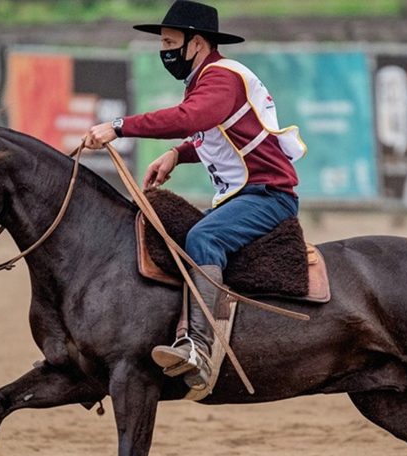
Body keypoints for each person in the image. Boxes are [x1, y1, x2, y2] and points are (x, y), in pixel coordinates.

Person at [83, 0, 305, 390]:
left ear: (197, 43)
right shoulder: (207, 78)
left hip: (268, 196)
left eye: (170, 41)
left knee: (203, 237)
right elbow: (209, 133)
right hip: (244, 196)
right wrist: (177, 154)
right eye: (162, 42)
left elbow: (191, 119)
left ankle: (200, 348)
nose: (164, 50)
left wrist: (119, 127)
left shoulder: (221, 77)